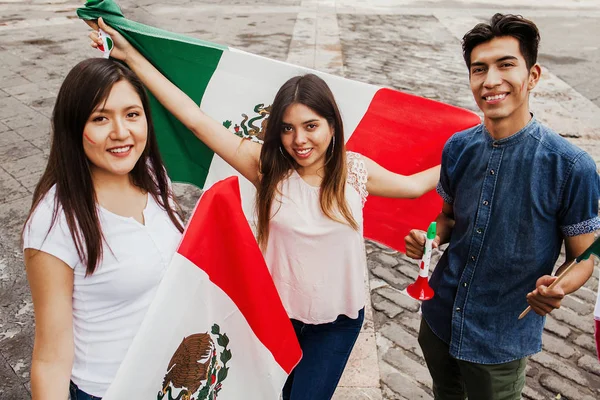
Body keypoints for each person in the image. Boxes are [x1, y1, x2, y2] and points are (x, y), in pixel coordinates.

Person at [88, 17, 440, 400]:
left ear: (332, 126)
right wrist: (130, 56)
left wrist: (484, 137)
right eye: (287, 128)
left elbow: (415, 185)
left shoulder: (354, 170)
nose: (299, 140)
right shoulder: (266, 168)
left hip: (337, 324)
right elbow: (194, 120)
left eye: (311, 126)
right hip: (274, 320)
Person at [404, 13, 600, 400]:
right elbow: (447, 218)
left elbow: (584, 257)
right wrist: (429, 239)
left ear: (533, 75)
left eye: (505, 65)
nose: (490, 80)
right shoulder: (457, 147)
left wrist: (557, 288)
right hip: (440, 318)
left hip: (500, 338)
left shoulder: (571, 166)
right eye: (479, 69)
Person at [23, 58, 185, 400]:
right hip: (110, 390)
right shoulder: (55, 222)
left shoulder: (155, 177)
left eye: (132, 114)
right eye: (100, 118)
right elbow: (51, 359)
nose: (121, 132)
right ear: (73, 125)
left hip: (172, 382)